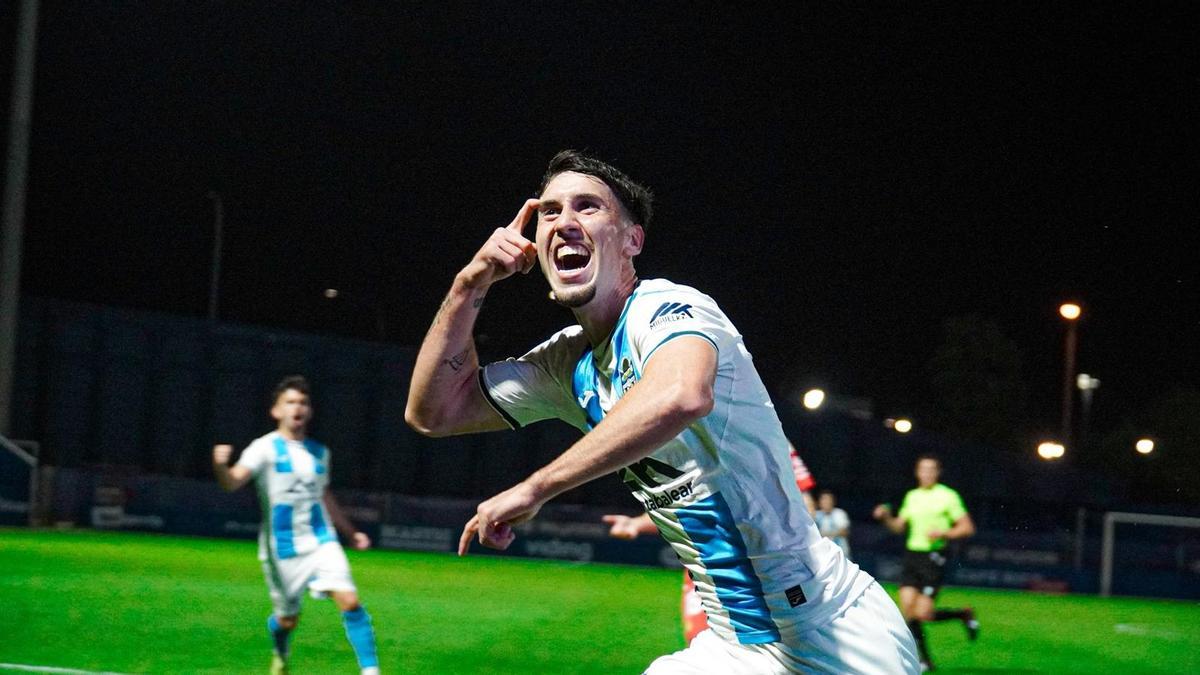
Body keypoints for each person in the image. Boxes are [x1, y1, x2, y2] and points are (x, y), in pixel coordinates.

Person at [406, 150, 919, 674]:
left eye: (587, 207)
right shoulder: (566, 364)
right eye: (550, 212)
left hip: (829, 633)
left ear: (632, 240)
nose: (564, 222)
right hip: (736, 641)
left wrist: (536, 487)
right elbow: (434, 412)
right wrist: (470, 284)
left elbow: (681, 394)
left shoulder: (668, 307)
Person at [213, 375, 380, 675]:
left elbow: (324, 496)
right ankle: (280, 650)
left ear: (309, 411)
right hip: (282, 548)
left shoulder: (320, 452)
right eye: (290, 402)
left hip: (321, 539)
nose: (297, 407)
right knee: (288, 620)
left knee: (350, 601)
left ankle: (371, 671)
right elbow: (232, 482)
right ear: (276, 411)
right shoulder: (263, 448)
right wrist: (220, 466)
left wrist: (350, 532)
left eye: (302, 402)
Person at [604, 443, 818, 645]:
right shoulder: (689, 439)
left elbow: (805, 505)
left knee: (785, 644)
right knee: (702, 642)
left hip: (768, 568)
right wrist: (636, 524)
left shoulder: (765, 437)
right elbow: (682, 504)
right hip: (707, 568)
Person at [873, 454, 979, 672]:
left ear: (938, 472)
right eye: (923, 469)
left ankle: (962, 614)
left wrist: (944, 533)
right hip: (912, 556)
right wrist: (886, 517)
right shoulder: (912, 496)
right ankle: (925, 660)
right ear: (917, 472)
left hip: (934, 557)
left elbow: (967, 527)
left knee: (922, 613)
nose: (927, 473)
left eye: (931, 469)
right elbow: (899, 527)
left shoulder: (948, 496)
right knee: (908, 611)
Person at [814, 490, 852, 559]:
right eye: (824, 499)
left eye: (828, 499)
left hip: (841, 553)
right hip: (822, 554)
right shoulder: (816, 515)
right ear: (819, 502)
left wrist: (823, 534)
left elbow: (844, 532)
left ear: (833, 501)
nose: (826, 502)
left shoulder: (840, 513)